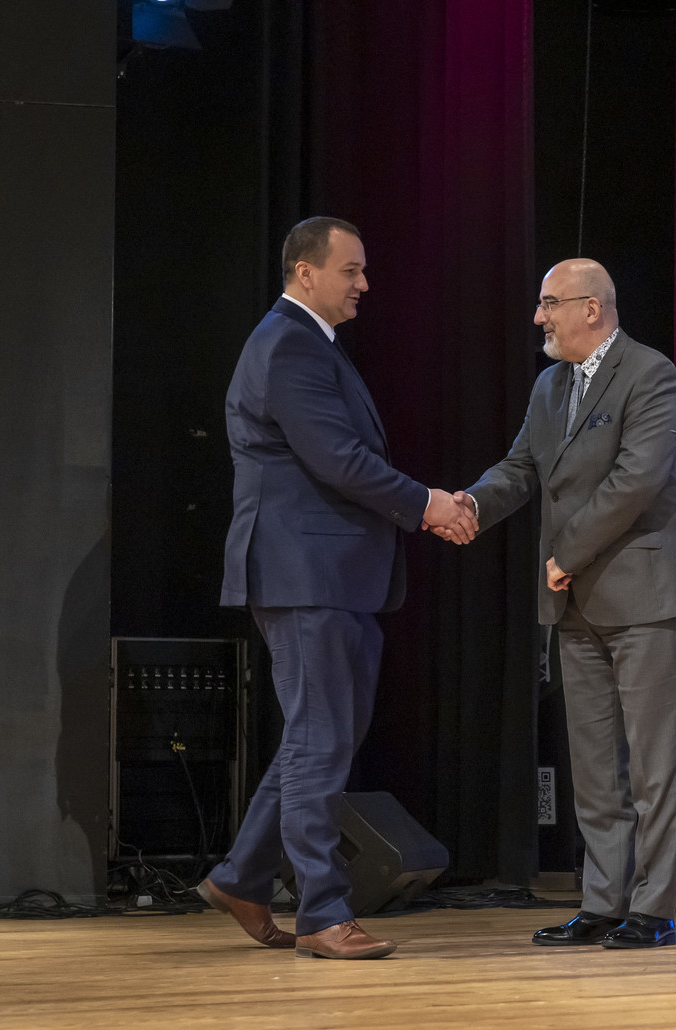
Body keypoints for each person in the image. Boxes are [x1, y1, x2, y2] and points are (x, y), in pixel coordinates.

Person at [199, 217, 474, 961]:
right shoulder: (288, 343)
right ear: (305, 272)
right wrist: (427, 504)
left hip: (332, 575)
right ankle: (322, 912)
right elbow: (338, 458)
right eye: (350, 271)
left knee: (320, 737)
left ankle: (242, 877)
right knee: (319, 740)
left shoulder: (308, 342)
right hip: (305, 572)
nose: (363, 284)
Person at [458, 258, 676, 948]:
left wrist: (567, 554)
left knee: (654, 763)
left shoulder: (651, 373)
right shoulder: (549, 385)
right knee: (595, 767)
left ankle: (652, 908)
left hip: (644, 594)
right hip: (574, 605)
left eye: (550, 303)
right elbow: (521, 468)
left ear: (591, 308)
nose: (539, 317)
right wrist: (470, 505)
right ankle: (602, 902)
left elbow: (638, 479)